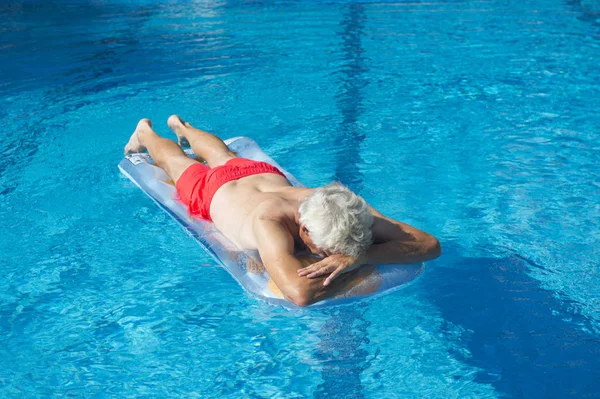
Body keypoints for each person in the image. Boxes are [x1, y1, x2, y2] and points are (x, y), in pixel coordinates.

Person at [125, 116, 441, 306]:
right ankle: (147, 133)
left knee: (221, 153)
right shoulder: (270, 222)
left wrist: (361, 256)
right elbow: (299, 293)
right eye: (328, 249)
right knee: (177, 163)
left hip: (257, 174)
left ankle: (182, 125)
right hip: (213, 193)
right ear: (303, 228)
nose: (335, 253)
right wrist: (352, 267)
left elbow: (430, 244)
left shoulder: (342, 205)